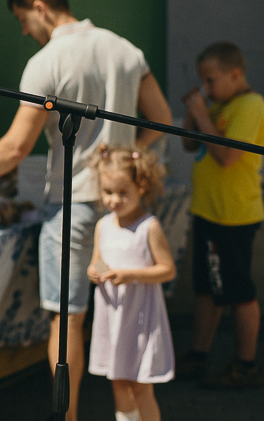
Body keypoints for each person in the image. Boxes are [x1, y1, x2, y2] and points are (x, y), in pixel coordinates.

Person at [0, 0, 172, 421]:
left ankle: (70, 416)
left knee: (69, 319)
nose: (24, 29)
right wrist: (124, 164)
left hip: (75, 201)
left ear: (40, 8)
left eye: (23, 19)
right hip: (125, 207)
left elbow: (16, 147)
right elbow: (161, 117)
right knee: (123, 310)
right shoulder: (125, 48)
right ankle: (132, 410)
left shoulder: (49, 60)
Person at [178, 41, 264, 388]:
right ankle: (199, 356)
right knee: (207, 289)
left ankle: (246, 364)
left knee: (238, 292)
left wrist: (201, 114)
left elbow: (228, 156)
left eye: (211, 81)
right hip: (209, 212)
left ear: (235, 75)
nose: (207, 89)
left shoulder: (251, 105)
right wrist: (193, 111)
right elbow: (187, 143)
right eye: (203, 82)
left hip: (233, 217)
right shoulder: (217, 106)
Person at [87, 145, 175, 421]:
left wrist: (131, 275)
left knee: (140, 385)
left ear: (142, 186)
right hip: (112, 317)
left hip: (139, 318)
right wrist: (95, 270)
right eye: (108, 193)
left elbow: (167, 269)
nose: (114, 200)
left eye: (122, 192)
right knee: (118, 383)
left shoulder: (149, 226)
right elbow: (98, 260)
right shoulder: (104, 225)